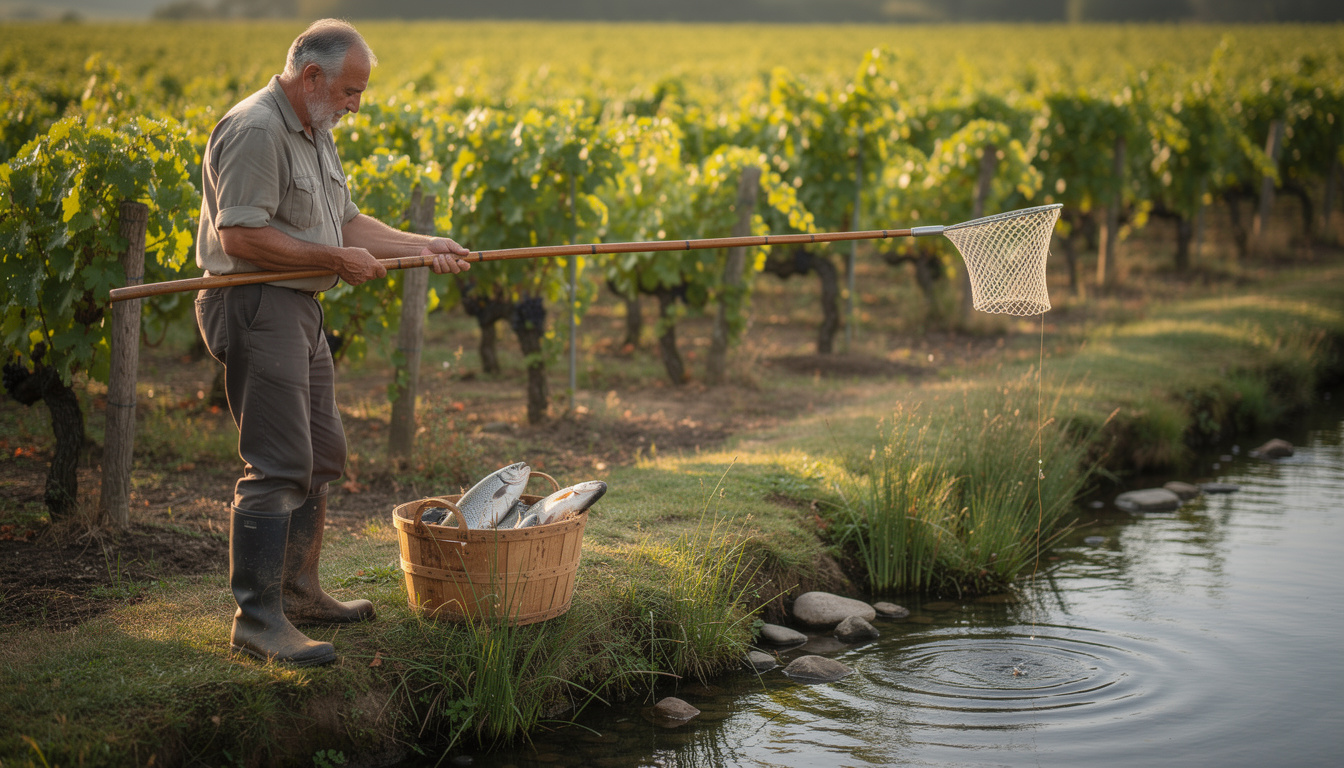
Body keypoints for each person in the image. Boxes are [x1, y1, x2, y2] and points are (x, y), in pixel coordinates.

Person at [194, 18, 471, 666]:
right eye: (351, 91)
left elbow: (345, 221)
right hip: (257, 303)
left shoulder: (314, 129)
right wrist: (337, 260)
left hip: (299, 305)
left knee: (321, 454)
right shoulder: (256, 128)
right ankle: (257, 621)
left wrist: (421, 246)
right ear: (312, 75)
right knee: (279, 462)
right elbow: (241, 236)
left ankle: (301, 592)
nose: (356, 105)